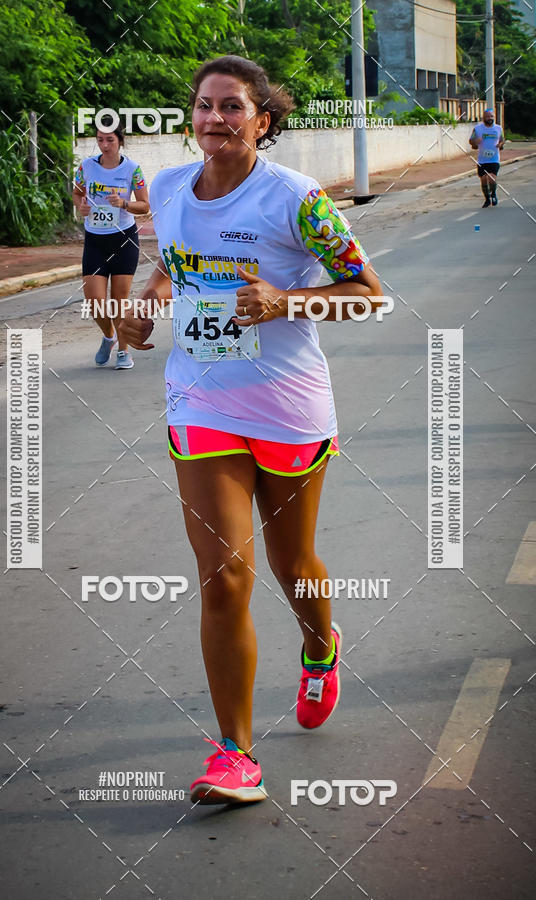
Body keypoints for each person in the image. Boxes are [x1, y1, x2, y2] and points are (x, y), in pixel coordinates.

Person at [118, 56, 383, 804]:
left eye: (232, 107)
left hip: (290, 407)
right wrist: (146, 302)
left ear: (263, 119)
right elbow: (173, 264)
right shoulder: (168, 189)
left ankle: (320, 645)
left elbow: (369, 294)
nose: (215, 120)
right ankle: (235, 753)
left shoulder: (296, 200)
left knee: (292, 562)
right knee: (226, 573)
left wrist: (288, 302)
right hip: (202, 404)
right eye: (204, 106)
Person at [73, 119, 149, 369]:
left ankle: (124, 351)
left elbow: (145, 205)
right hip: (95, 240)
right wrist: (81, 205)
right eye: (100, 140)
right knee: (94, 301)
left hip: (124, 239)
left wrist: (124, 204)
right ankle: (109, 336)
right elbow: (76, 192)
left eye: (110, 140)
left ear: (120, 140)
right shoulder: (86, 167)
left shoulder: (132, 170)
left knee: (118, 299)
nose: (104, 145)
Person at [469, 109, 504, 208]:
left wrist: (500, 144)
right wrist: (476, 141)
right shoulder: (477, 129)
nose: (490, 118)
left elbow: (502, 139)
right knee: (484, 179)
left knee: (492, 178)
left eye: (492, 116)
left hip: (494, 159)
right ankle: (487, 198)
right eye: (488, 116)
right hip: (482, 160)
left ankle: (493, 194)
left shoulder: (498, 128)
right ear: (483, 117)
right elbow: (471, 141)